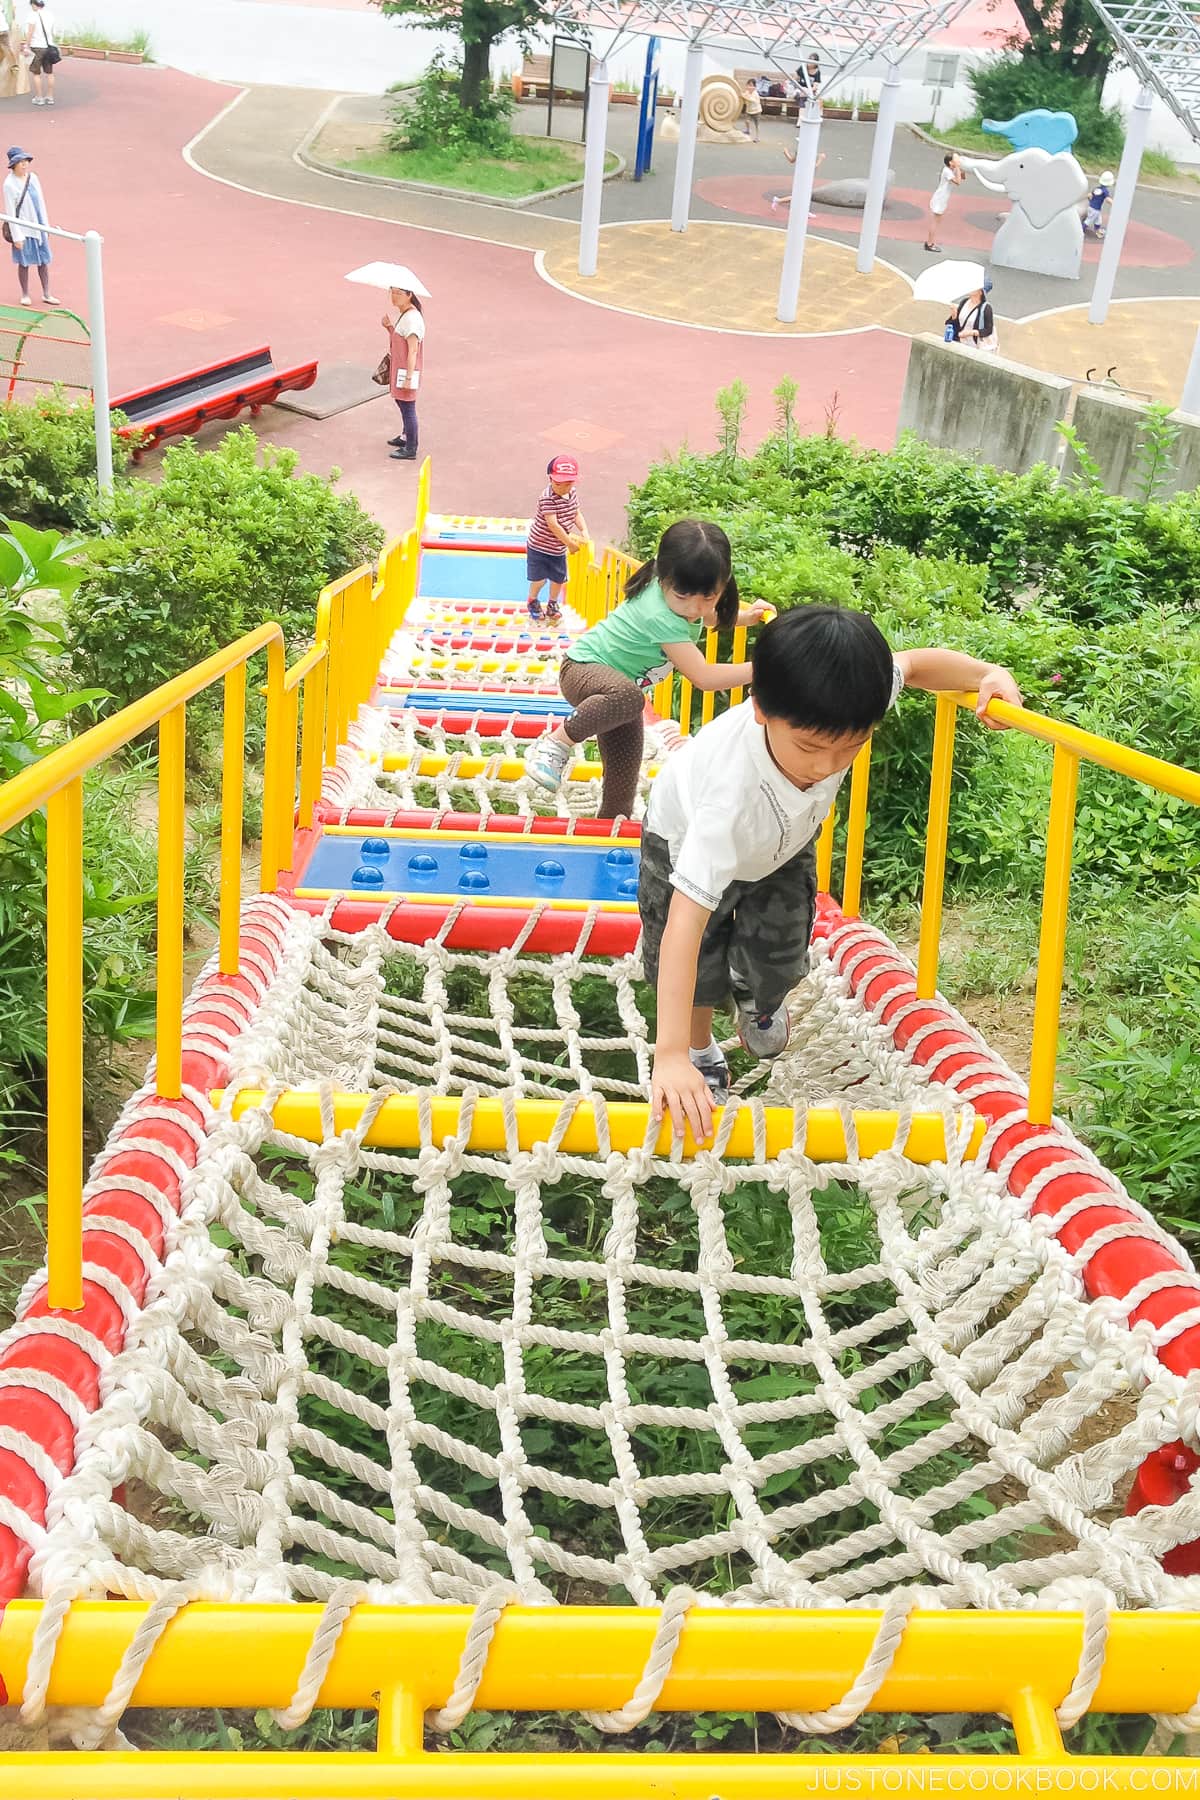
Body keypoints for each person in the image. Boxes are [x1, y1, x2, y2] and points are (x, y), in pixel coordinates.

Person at [641, 605, 1023, 1137]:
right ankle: (702, 1047)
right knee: (699, 961)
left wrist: (986, 674)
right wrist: (671, 1055)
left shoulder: (843, 698)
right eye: (810, 748)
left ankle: (758, 999)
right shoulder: (726, 799)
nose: (825, 766)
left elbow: (912, 666)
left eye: (851, 748)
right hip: (682, 839)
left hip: (784, 841)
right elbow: (684, 923)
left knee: (782, 945)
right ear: (760, 711)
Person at [524, 518, 769, 822]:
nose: (695, 608)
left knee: (624, 779)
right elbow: (703, 677)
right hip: (583, 670)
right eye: (683, 596)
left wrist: (745, 617)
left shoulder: (675, 593)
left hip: (620, 694)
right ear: (664, 579)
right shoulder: (659, 615)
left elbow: (702, 616)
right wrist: (763, 669)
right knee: (631, 698)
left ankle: (609, 830)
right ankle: (554, 746)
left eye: (709, 596)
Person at [526, 454, 588, 625]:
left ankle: (553, 604)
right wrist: (570, 543)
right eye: (558, 483)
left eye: (568, 483)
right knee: (539, 579)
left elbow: (576, 512)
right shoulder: (547, 497)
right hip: (539, 546)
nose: (563, 487)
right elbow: (553, 525)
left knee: (558, 578)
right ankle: (532, 600)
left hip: (557, 549)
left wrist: (583, 530)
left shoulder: (572, 493)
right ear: (551, 479)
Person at [381, 268, 428, 461]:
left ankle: (411, 447)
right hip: (399, 370)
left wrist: (409, 376)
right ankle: (405, 436)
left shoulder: (413, 319)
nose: (394, 297)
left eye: (398, 293)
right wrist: (389, 327)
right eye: (392, 292)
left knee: (408, 407)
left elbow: (413, 350)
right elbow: (398, 339)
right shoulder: (406, 315)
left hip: (406, 371)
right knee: (401, 403)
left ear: (409, 295)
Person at [4, 147, 57, 308]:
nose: (25, 165)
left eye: (26, 162)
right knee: (24, 263)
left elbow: (41, 202)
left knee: (43, 262)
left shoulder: (33, 178)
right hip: (23, 229)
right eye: (21, 162)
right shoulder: (9, 185)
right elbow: (10, 213)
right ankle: (25, 294)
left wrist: (45, 227)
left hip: (37, 225)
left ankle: (47, 293)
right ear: (14, 165)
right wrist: (17, 236)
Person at [924, 152, 962, 253]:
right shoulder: (947, 172)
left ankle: (930, 242)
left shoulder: (950, 170)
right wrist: (958, 168)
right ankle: (929, 244)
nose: (959, 161)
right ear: (951, 162)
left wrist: (958, 169)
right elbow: (958, 182)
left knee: (937, 221)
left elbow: (962, 177)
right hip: (940, 198)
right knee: (935, 222)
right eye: (956, 160)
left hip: (942, 198)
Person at [23, 1, 59, 107]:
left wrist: (26, 46)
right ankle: (50, 96)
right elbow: (52, 32)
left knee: (36, 73)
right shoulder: (50, 15)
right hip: (49, 47)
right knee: (49, 73)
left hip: (36, 47)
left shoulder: (32, 15)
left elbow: (30, 32)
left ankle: (39, 97)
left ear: (34, 4)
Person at [770, 147, 825, 212]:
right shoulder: (807, 150)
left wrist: (786, 152)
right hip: (805, 176)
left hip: (801, 174)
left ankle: (804, 211)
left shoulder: (802, 148)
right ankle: (778, 200)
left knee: (803, 195)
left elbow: (791, 160)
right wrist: (820, 159)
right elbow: (813, 167)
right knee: (801, 195)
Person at [949, 282, 998, 354]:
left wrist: (970, 333)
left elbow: (988, 330)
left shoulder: (986, 308)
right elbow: (956, 323)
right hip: (961, 343)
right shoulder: (964, 302)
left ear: (981, 292)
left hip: (975, 348)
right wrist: (954, 315)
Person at [1083, 172, 1114, 237]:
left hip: (1091, 207)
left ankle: (1097, 230)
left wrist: (1090, 200)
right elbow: (1108, 199)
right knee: (1089, 220)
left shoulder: (1096, 189)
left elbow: (1089, 195)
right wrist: (1114, 203)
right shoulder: (1105, 191)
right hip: (1095, 209)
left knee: (1098, 220)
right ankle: (1081, 230)